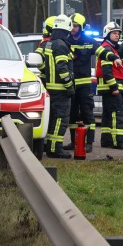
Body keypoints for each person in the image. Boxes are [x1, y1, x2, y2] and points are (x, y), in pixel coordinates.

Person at [41, 14, 74, 159]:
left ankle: (50, 146)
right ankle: (55, 149)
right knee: (61, 119)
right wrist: (69, 86)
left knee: (53, 119)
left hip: (50, 89)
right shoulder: (61, 45)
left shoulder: (49, 43)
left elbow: (43, 65)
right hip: (60, 90)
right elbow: (62, 68)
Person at [96, 22, 123, 150]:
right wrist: (114, 88)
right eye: (114, 33)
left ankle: (106, 140)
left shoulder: (111, 48)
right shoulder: (107, 49)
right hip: (111, 88)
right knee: (118, 114)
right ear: (107, 34)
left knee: (107, 115)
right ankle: (118, 141)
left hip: (109, 88)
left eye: (118, 33)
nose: (117, 35)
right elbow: (107, 71)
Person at [66, 13, 98, 153]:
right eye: (72, 25)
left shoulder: (89, 41)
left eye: (76, 26)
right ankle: (74, 142)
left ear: (82, 27)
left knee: (87, 113)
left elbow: (101, 50)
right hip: (71, 84)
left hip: (84, 85)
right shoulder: (66, 41)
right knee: (72, 114)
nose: (73, 28)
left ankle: (89, 142)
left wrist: (113, 56)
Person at [35, 15, 56, 87]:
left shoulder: (46, 41)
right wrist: (46, 70)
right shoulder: (47, 43)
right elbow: (37, 58)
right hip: (48, 80)